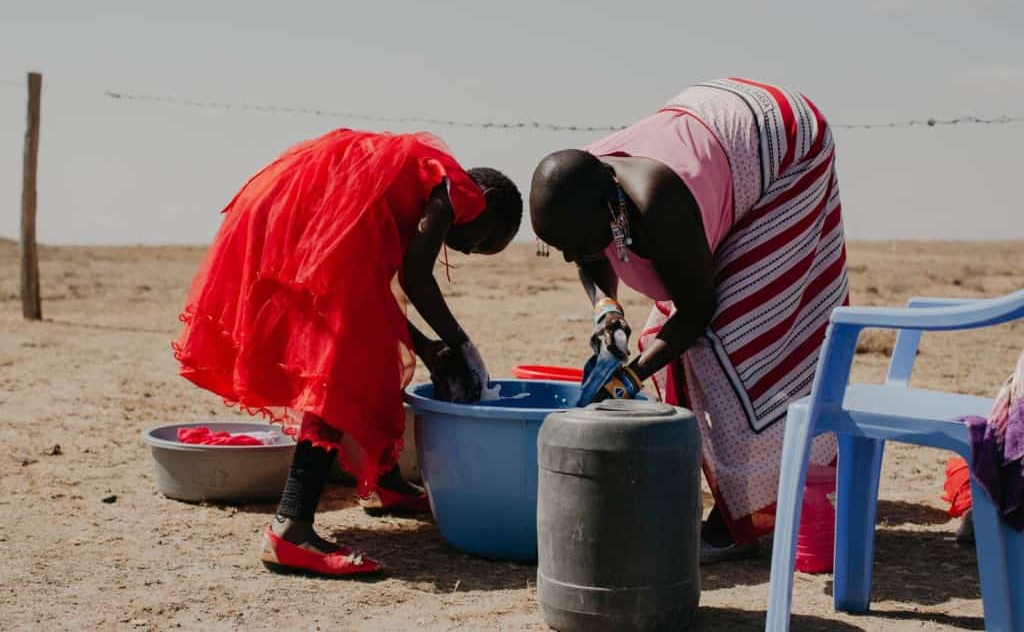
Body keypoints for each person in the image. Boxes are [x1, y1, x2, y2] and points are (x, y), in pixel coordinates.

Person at [173, 128, 522, 576]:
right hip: (295, 212)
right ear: (486, 199)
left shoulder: (400, 192)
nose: (470, 250)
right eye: (482, 241)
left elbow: (375, 304)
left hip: (284, 203)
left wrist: (428, 347)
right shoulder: (455, 188)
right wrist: (461, 343)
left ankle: (386, 483)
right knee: (337, 370)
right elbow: (416, 280)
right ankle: (290, 531)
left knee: (364, 350)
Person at [530, 77, 847, 563]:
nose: (572, 254)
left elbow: (697, 311)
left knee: (734, 344)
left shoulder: (656, 204)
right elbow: (589, 252)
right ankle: (733, 485)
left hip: (783, 147)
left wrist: (633, 374)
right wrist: (607, 309)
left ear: (611, 212)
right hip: (713, 121)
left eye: (578, 241)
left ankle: (745, 513)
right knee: (677, 346)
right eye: (561, 246)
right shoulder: (583, 182)